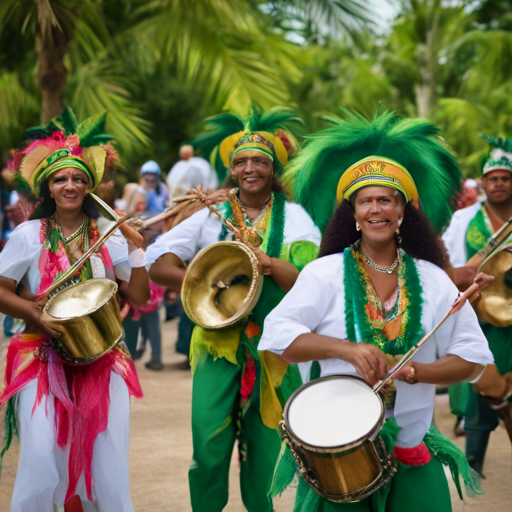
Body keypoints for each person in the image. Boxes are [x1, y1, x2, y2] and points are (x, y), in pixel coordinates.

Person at [259, 111, 494, 512]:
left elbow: (473, 359)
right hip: (338, 453)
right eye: (365, 200)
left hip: (411, 447)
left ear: (402, 211)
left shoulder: (434, 279)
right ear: (352, 214)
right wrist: (347, 350)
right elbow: (277, 337)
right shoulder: (323, 274)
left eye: (386, 199)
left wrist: (418, 371)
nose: (376, 209)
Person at [147, 129, 321, 512]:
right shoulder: (212, 217)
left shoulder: (296, 218)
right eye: (241, 162)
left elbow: (313, 282)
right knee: (208, 448)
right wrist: (204, 279)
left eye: (259, 161)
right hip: (215, 345)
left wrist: (270, 265)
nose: (250, 168)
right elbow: (157, 265)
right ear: (231, 169)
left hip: (276, 351)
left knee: (262, 458)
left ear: (273, 169)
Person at [0, 108, 150, 512]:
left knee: (107, 456)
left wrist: (137, 253)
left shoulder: (110, 236)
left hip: (103, 357)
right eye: (61, 178)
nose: (70, 185)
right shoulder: (28, 236)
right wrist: (36, 315)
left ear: (90, 186)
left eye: (79, 178)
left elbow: (136, 297)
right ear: (48, 186)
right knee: (41, 450)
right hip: (41, 353)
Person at [443, 134, 512, 475]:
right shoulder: (463, 220)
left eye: (505, 177)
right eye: (493, 178)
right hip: (481, 319)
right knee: (480, 390)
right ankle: (473, 464)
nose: (499, 183)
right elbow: (451, 268)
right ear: (483, 183)